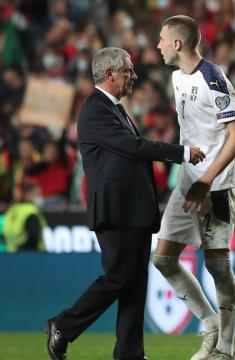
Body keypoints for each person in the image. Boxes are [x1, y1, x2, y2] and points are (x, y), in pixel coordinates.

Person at [46, 47, 205, 360]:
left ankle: (130, 353)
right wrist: (181, 152)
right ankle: (63, 325)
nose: (134, 76)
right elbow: (132, 147)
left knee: (134, 283)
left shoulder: (112, 108)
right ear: (109, 75)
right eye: (128, 71)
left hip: (132, 210)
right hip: (115, 211)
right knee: (118, 277)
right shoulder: (94, 110)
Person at [153, 15, 235, 360]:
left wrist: (206, 181)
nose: (159, 45)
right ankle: (210, 324)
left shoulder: (214, 79)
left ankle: (226, 347)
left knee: (218, 265)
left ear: (178, 44)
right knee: (163, 258)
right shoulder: (177, 78)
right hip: (187, 183)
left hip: (217, 187)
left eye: (162, 39)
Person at [2, 182, 47, 252]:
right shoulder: (31, 212)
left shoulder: (12, 210)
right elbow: (33, 237)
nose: (40, 197)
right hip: (31, 255)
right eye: (37, 194)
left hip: (10, 253)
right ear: (28, 195)